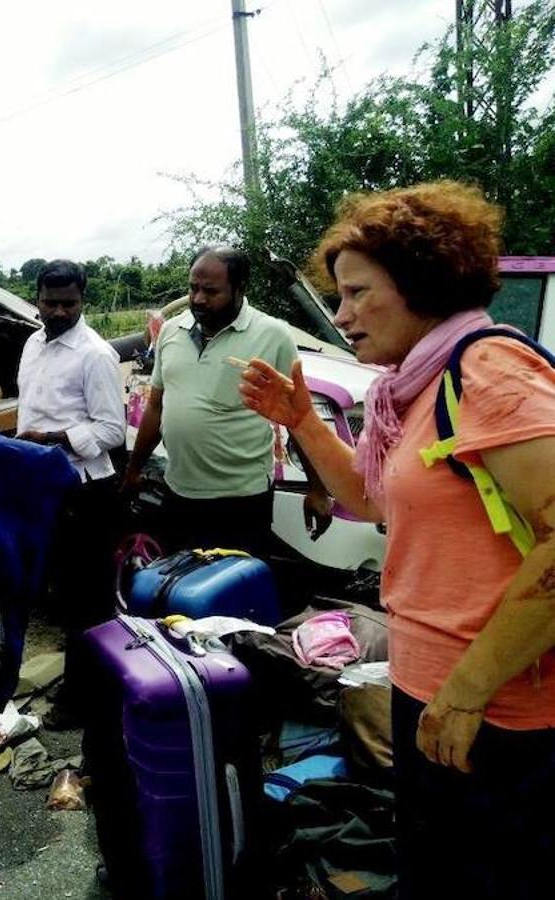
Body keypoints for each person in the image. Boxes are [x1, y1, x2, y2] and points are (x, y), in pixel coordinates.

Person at [238, 181, 555, 900]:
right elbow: (373, 499)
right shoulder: (415, 387)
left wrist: (468, 692)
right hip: (432, 686)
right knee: (434, 869)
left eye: (356, 293)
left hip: (500, 706)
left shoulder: (488, 372)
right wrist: (303, 422)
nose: (340, 316)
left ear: (420, 282)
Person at [123, 246, 332, 553]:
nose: (198, 299)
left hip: (241, 499)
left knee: (233, 591)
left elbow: (298, 417)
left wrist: (317, 488)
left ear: (239, 289)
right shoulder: (170, 331)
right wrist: (134, 468)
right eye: (193, 288)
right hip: (179, 490)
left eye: (211, 291)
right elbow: (157, 405)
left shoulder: (273, 335)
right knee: (180, 589)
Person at [14, 259, 126, 728]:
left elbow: (113, 431)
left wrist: (55, 438)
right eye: (49, 302)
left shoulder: (95, 354)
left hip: (85, 490)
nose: (58, 311)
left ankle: (88, 701)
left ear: (83, 300)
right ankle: (81, 683)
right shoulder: (33, 343)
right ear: (36, 298)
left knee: (89, 600)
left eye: (69, 303)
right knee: (62, 596)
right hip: (44, 487)